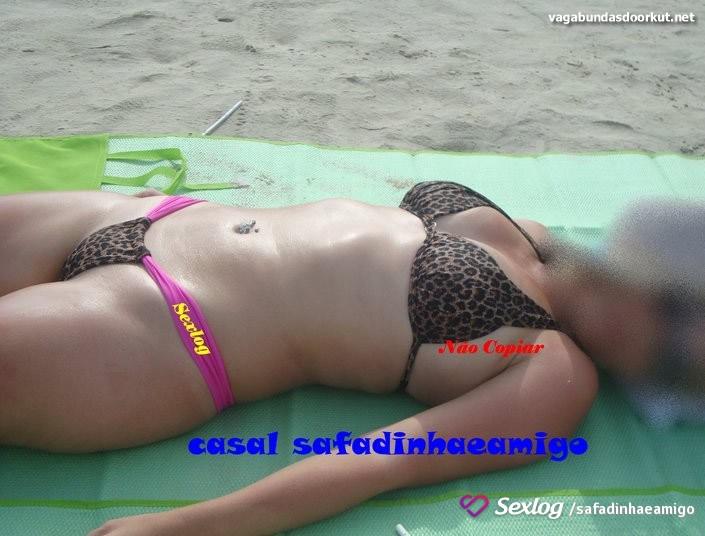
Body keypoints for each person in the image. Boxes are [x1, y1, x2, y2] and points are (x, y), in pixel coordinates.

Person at [0, 181, 686, 536]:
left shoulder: (554, 374)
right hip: (153, 218)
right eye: (676, 312)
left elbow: (381, 460)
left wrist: (188, 527)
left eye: (672, 365)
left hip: (176, 324)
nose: (645, 342)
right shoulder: (530, 236)